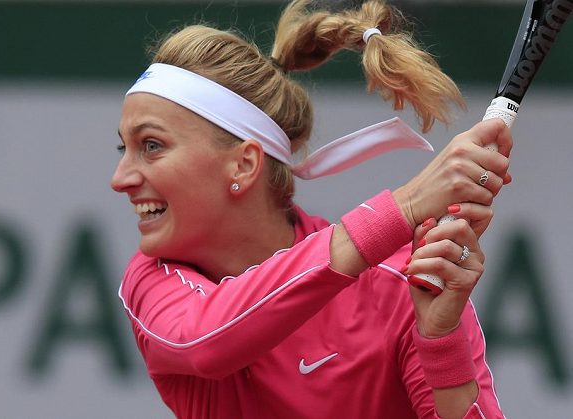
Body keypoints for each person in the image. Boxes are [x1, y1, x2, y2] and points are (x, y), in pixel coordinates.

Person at [111, 0, 512, 417]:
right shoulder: (149, 279)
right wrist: (405, 206)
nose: (120, 178)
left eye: (151, 146)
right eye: (125, 148)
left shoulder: (401, 284)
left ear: (244, 164)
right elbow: (204, 338)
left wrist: (442, 342)